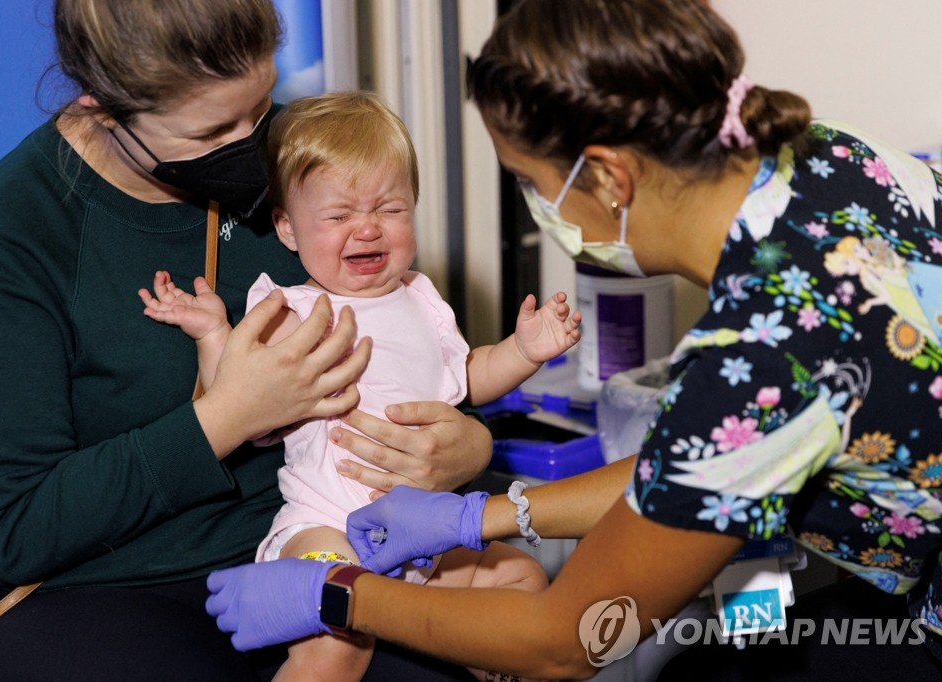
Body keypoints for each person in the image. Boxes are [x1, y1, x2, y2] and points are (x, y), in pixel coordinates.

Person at [201, 1, 942, 679]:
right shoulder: (835, 158)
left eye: (528, 179)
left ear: (612, 177)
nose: (533, 205)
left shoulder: (755, 364)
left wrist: (338, 599)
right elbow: (691, 471)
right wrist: (483, 515)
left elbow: (574, 639)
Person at [0, 1, 496, 680]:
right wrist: (226, 418)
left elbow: (405, 344)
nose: (257, 146)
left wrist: (466, 442)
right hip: (93, 586)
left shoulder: (303, 160)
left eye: (261, 105)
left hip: (318, 538)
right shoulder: (9, 237)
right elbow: (10, 532)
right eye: (215, 129)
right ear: (103, 108)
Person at [140, 91, 578, 681]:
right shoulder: (289, 309)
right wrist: (215, 334)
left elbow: (467, 379)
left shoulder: (423, 300)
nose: (367, 229)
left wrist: (524, 350)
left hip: (426, 531)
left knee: (522, 578)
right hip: (325, 528)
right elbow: (237, 404)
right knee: (340, 636)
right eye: (339, 216)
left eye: (390, 210)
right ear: (289, 229)